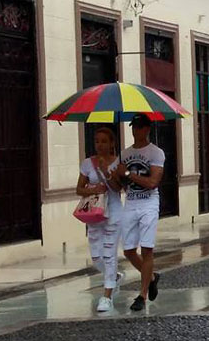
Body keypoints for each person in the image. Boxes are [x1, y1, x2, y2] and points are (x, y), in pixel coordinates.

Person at [116, 114, 165, 311]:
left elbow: (152, 183)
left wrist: (128, 174)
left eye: (139, 126)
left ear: (147, 129)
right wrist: (115, 174)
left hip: (148, 204)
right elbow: (120, 184)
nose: (135, 130)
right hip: (131, 203)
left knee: (146, 249)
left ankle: (142, 295)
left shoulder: (156, 153)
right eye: (133, 126)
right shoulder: (124, 154)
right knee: (128, 250)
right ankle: (152, 277)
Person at [75, 127, 125, 312]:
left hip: (114, 213)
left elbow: (118, 188)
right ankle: (115, 277)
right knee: (96, 258)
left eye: (104, 141)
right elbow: (79, 189)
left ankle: (107, 296)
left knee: (109, 254)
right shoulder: (87, 163)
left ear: (112, 143)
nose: (100, 144)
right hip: (95, 214)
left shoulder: (119, 163)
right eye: (97, 141)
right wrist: (93, 189)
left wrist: (106, 171)